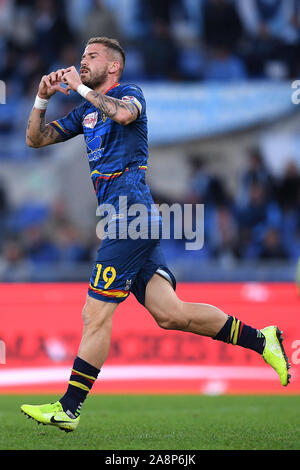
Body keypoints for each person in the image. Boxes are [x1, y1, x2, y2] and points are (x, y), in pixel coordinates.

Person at [21, 37, 290, 432]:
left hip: (131, 216)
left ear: (113, 66)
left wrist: (77, 86)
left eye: (91, 57)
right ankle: (263, 340)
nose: (83, 63)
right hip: (122, 217)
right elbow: (35, 138)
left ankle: (69, 407)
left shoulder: (130, 93)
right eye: (81, 57)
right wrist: (42, 98)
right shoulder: (85, 113)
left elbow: (126, 116)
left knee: (94, 313)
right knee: (171, 314)